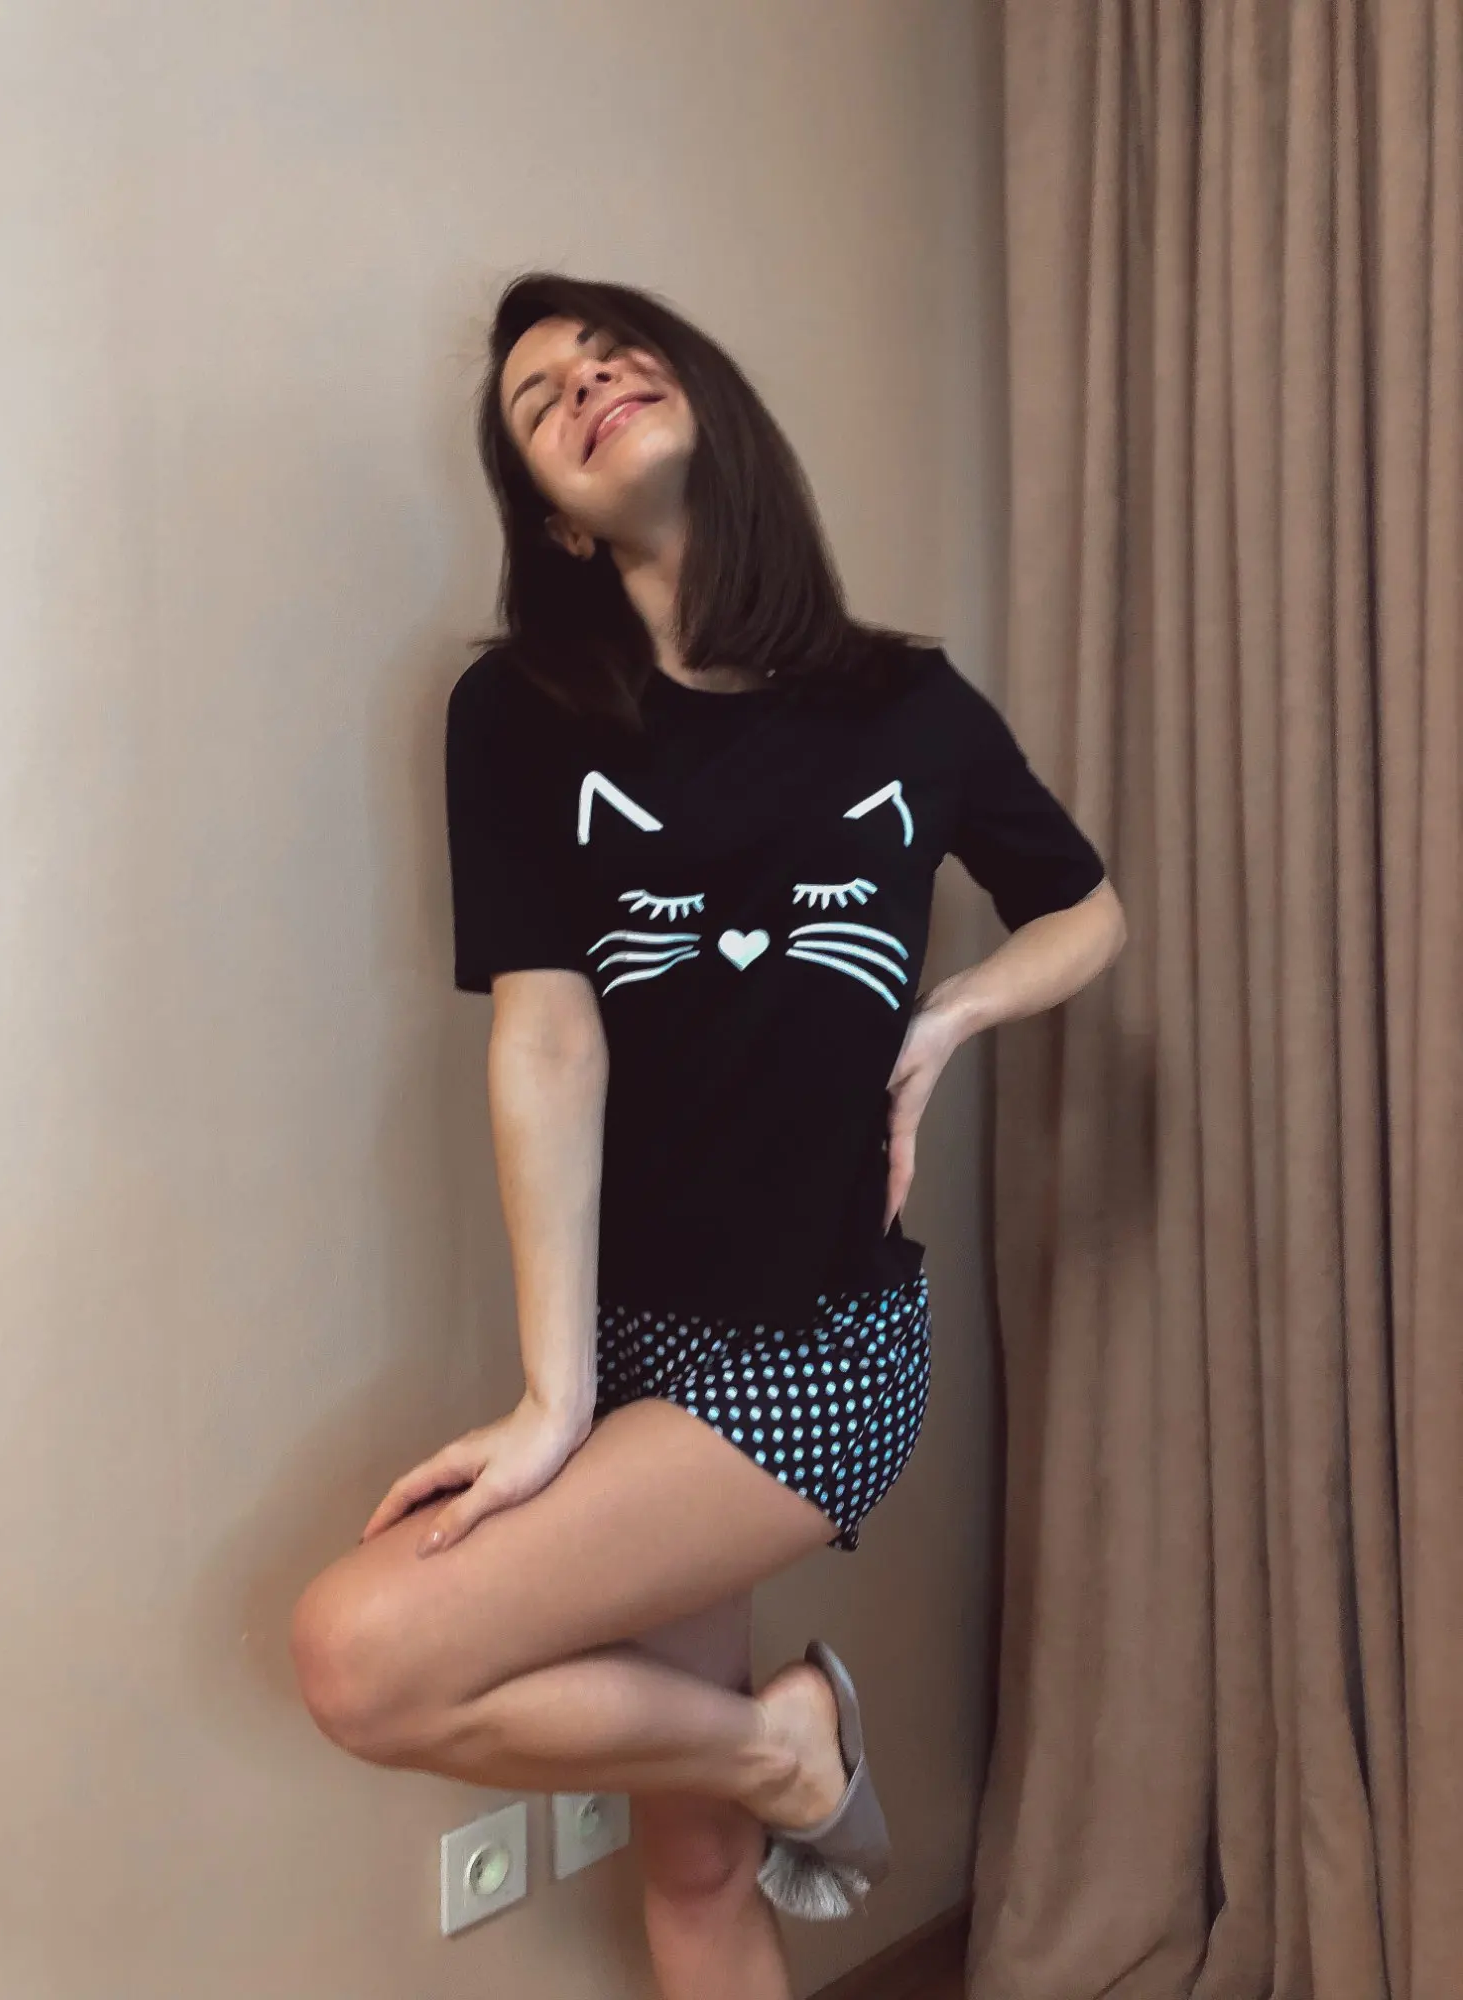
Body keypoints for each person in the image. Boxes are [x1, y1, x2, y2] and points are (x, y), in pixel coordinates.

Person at [289, 272, 1126, 1998]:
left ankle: (788, 1747)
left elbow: (1087, 909)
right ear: (556, 518)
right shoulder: (518, 715)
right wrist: (557, 1397)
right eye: (539, 400)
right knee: (692, 1856)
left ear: (703, 402)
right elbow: (547, 1035)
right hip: (638, 1335)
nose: (583, 386)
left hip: (819, 1340)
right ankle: (780, 1751)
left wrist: (947, 1019)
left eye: (611, 355)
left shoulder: (908, 703)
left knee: (358, 1656)